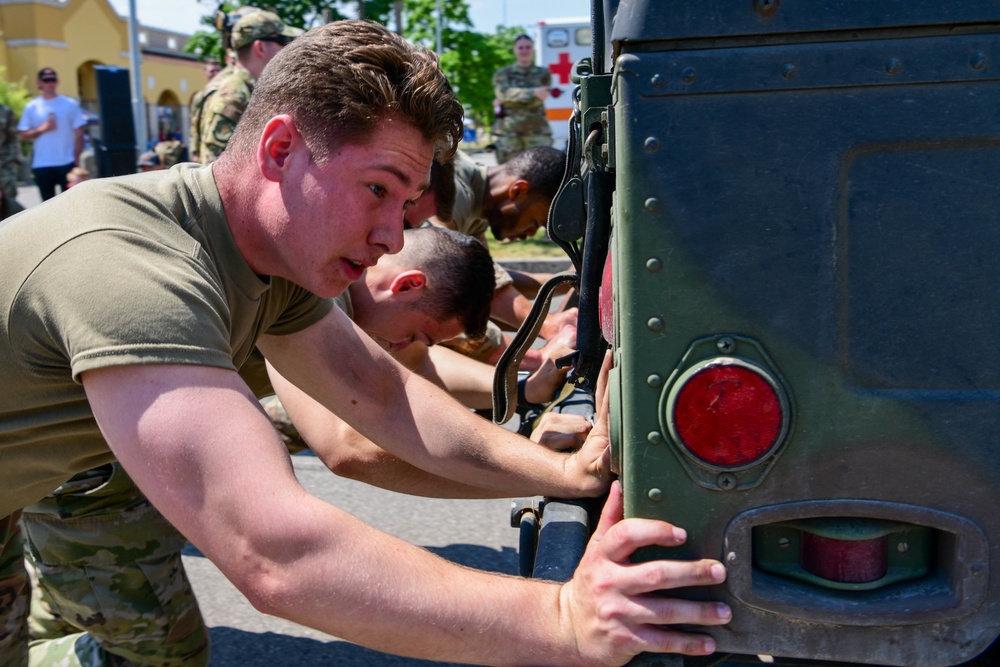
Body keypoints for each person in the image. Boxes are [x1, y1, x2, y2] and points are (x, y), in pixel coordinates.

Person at [0, 20, 730, 667]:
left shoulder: (275, 264)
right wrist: (563, 618)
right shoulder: (136, 268)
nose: (391, 238)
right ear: (281, 148)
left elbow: (382, 394)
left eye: (406, 204)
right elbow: (273, 552)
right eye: (378, 190)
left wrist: (561, 472)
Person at [406, 146, 575, 363]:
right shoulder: (455, 192)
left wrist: (567, 280)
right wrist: (547, 327)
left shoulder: (475, 207)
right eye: (535, 223)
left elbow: (493, 285)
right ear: (518, 190)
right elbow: (459, 282)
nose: (529, 234)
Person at [192, 9, 301, 164]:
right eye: (282, 41)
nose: (287, 48)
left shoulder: (254, 90)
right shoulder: (232, 96)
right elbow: (217, 167)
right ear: (260, 47)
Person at [17, 68, 86, 200]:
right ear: (39, 83)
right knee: (47, 204)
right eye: (46, 80)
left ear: (57, 82)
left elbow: (79, 133)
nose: (50, 83)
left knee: (70, 201)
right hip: (42, 163)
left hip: (66, 161)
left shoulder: (69, 104)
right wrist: (42, 128)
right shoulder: (32, 106)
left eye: (53, 79)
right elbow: (23, 135)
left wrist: (76, 158)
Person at [491, 34, 553, 164]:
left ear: (533, 49)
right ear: (514, 49)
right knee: (508, 174)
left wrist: (512, 96)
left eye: (528, 47)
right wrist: (534, 92)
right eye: (521, 47)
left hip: (537, 132)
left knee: (539, 173)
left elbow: (541, 97)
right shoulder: (503, 73)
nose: (524, 50)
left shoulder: (543, 73)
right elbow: (503, 95)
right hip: (510, 133)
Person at [0, 102, 23, 219]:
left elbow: (13, 138)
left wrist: (15, 162)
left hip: (4, 164)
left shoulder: (5, 111)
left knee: (8, 202)